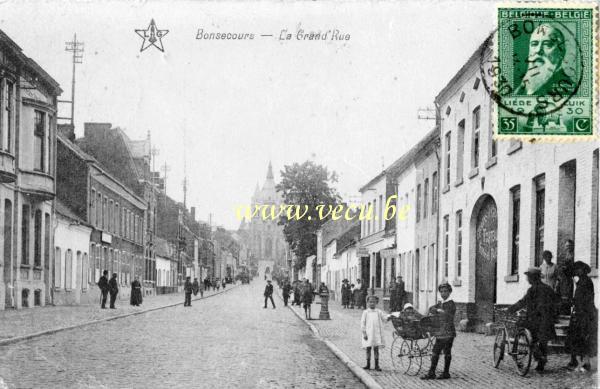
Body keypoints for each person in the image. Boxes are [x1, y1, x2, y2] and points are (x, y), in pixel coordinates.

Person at [506, 267, 556, 373]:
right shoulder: (548, 288)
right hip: (547, 320)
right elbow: (555, 302)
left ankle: (538, 356)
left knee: (526, 333)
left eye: (528, 276)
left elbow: (523, 302)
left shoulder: (532, 290)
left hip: (535, 320)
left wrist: (511, 309)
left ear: (532, 278)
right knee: (543, 341)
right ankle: (541, 364)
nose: (527, 279)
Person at [515, 23, 575, 96]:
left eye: (547, 44)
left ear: (561, 52)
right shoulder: (523, 86)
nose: (538, 50)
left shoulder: (568, 89)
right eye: (534, 44)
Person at [565, 261, 597, 372]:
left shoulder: (586, 282)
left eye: (578, 269)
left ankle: (584, 363)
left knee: (584, 338)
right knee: (577, 337)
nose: (576, 271)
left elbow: (584, 299)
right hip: (580, 313)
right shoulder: (582, 281)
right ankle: (577, 361)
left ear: (582, 270)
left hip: (585, 314)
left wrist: (574, 302)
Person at [421, 282, 456, 380]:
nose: (443, 293)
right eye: (441, 292)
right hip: (441, 331)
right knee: (438, 351)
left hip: (447, 331)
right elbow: (431, 308)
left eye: (445, 291)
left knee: (443, 351)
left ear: (449, 292)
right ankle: (437, 373)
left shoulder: (451, 304)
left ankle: (442, 372)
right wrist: (436, 310)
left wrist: (438, 311)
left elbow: (447, 315)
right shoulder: (441, 303)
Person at [361, 295, 391, 371]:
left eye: (373, 302)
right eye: (370, 302)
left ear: (376, 303)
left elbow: (384, 319)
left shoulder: (378, 312)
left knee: (376, 349)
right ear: (368, 303)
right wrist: (364, 333)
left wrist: (390, 317)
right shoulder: (365, 312)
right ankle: (368, 364)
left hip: (376, 333)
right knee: (368, 348)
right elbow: (362, 323)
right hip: (368, 333)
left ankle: (377, 365)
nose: (372, 304)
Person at [556, 239, 575, 315]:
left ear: (572, 247)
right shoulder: (563, 255)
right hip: (563, 279)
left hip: (569, 278)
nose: (568, 247)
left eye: (569, 246)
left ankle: (567, 313)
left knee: (568, 297)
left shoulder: (573, 255)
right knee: (562, 297)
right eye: (567, 246)